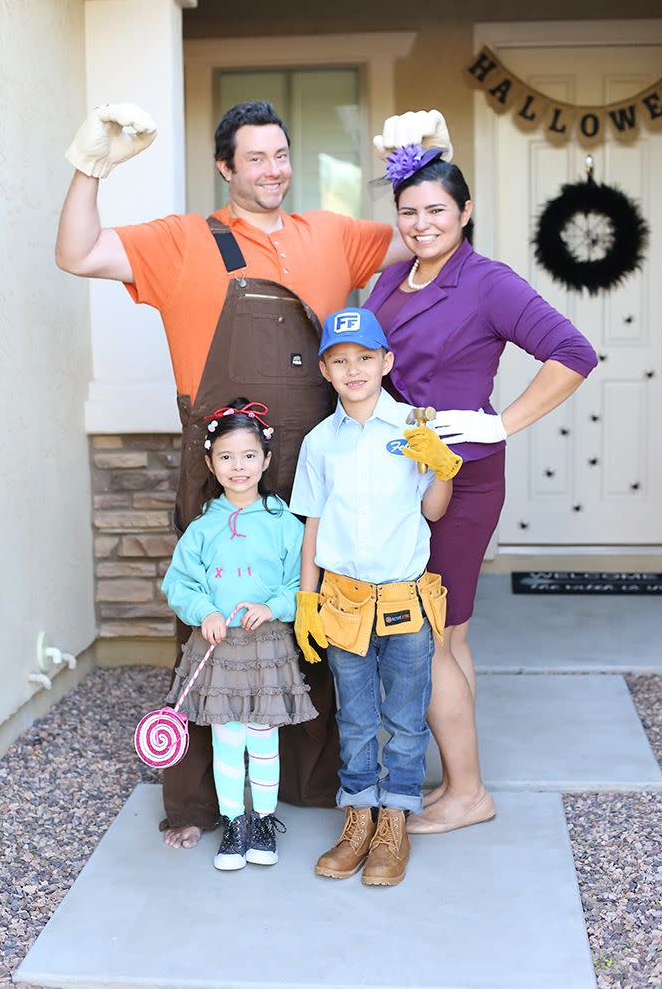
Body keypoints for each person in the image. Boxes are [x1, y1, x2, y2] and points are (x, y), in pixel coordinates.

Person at [56, 98, 433, 849]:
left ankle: (319, 781)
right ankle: (198, 800)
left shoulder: (330, 234)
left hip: (317, 458)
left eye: (281, 154)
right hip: (225, 464)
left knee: (317, 611)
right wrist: (88, 168)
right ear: (225, 167)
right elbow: (78, 253)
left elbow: (427, 231)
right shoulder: (180, 241)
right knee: (213, 622)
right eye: (255, 157)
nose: (273, 170)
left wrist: (421, 160)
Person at [362, 134, 599, 835]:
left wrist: (503, 425)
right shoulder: (392, 278)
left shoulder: (487, 281)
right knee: (450, 636)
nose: (421, 223)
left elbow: (574, 353)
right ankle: (457, 780)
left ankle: (469, 794)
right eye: (408, 211)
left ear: (464, 213)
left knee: (427, 635)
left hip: (458, 479)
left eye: (436, 209)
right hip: (398, 475)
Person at [290, 307, 462, 886]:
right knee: (357, 717)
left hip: (406, 602)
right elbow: (313, 523)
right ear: (325, 371)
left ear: (386, 362)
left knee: (406, 719)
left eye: (366, 358)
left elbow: (433, 511)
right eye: (341, 361)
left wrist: (441, 468)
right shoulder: (319, 444)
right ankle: (359, 816)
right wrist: (306, 602)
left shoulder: (414, 429)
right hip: (342, 604)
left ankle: (396, 822)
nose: (354, 369)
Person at [161, 398, 317, 870]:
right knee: (226, 736)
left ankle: (263, 821)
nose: (238, 466)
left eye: (248, 455)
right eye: (226, 456)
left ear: (266, 460)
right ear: (210, 462)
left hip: (266, 647)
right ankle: (233, 822)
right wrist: (204, 610)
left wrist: (273, 605)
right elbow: (179, 583)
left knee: (262, 735)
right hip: (218, 649)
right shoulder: (203, 528)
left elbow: (304, 584)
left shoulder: (285, 524)